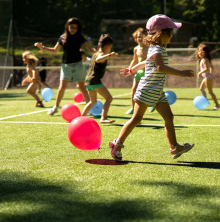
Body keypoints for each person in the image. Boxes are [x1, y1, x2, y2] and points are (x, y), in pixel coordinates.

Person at [110, 14, 195, 161]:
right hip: (147, 89)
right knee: (136, 119)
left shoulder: (157, 48)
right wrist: (181, 73)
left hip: (156, 90)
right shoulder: (156, 48)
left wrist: (133, 69)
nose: (172, 34)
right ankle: (116, 145)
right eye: (171, 31)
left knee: (169, 117)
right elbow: (160, 67)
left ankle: (174, 148)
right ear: (162, 32)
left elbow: (145, 63)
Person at [34, 17, 96, 115]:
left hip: (78, 65)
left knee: (82, 87)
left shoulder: (80, 37)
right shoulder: (62, 37)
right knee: (62, 87)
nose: (73, 29)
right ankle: (55, 108)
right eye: (71, 27)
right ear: (67, 27)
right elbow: (55, 50)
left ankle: (89, 109)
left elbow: (90, 49)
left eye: (75, 27)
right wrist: (44, 48)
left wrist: (99, 51)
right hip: (66, 66)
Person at [80, 34, 117, 124]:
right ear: (107, 46)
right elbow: (99, 60)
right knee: (109, 98)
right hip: (94, 80)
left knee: (93, 101)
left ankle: (82, 117)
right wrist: (110, 55)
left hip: (88, 80)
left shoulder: (95, 53)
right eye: (110, 48)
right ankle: (103, 118)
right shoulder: (101, 54)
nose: (110, 50)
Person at [125, 28, 154, 114]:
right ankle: (133, 108)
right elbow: (134, 60)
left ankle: (152, 104)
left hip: (148, 71)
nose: (139, 38)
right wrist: (129, 69)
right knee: (134, 89)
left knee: (148, 90)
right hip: (138, 72)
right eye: (138, 37)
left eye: (141, 36)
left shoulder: (149, 47)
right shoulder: (136, 49)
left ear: (146, 37)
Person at [197, 44, 220, 110]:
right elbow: (211, 67)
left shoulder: (204, 60)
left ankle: (217, 104)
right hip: (207, 77)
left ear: (204, 52)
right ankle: (206, 101)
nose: (198, 52)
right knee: (201, 89)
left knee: (210, 91)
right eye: (198, 51)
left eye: (200, 51)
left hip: (208, 77)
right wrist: (211, 73)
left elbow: (206, 69)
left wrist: (200, 73)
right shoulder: (204, 59)